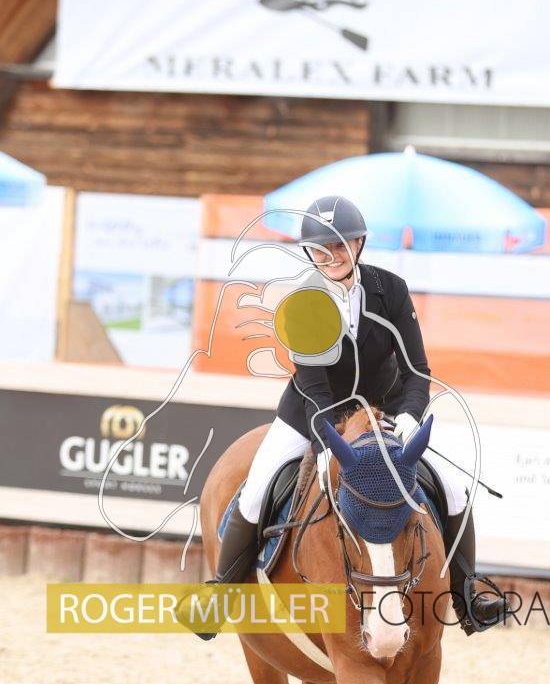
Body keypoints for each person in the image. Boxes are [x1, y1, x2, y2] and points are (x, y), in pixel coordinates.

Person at [202, 194, 505, 637]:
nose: (331, 256)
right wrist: (331, 441)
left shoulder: (391, 290)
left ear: (359, 244)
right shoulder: (303, 302)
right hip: (312, 415)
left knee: (454, 489)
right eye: (321, 249)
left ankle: (467, 595)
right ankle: (221, 594)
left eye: (340, 246)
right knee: (255, 491)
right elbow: (315, 386)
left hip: (384, 415)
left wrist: (408, 417)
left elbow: (417, 369)